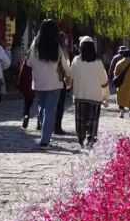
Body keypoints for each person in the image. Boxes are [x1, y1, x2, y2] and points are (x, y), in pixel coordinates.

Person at [25, 18, 69, 148]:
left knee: (42, 109)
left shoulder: (35, 44)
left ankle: (44, 135)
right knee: (50, 112)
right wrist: (68, 75)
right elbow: (65, 64)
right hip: (55, 83)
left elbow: (28, 63)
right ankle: (45, 140)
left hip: (39, 82)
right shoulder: (58, 45)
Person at [68, 36, 109, 147]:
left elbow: (70, 75)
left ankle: (81, 138)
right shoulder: (98, 62)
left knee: (80, 120)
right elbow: (104, 81)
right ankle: (91, 138)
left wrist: (68, 85)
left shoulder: (76, 60)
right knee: (93, 119)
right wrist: (105, 96)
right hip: (95, 97)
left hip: (80, 95)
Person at [113, 47, 130, 118]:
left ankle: (121, 112)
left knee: (121, 97)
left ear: (123, 55)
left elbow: (115, 73)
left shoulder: (119, 63)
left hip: (121, 84)